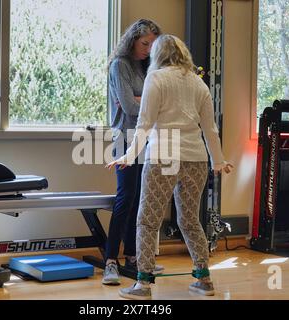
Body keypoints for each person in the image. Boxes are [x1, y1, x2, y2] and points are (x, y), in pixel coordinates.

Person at [107, 34, 233, 299]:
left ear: (158, 55)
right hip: (196, 158)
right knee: (189, 220)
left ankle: (143, 284)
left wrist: (129, 156)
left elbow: (143, 122)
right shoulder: (199, 83)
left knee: (147, 220)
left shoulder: (157, 78)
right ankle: (204, 279)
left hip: (164, 155)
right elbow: (210, 128)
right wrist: (218, 160)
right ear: (183, 54)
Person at [102, 19, 163, 286]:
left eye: (152, 44)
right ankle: (110, 261)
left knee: (140, 199)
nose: (148, 49)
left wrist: (144, 101)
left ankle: (132, 256)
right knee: (125, 198)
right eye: (144, 43)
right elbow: (128, 107)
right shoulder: (120, 65)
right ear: (133, 41)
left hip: (146, 137)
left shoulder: (149, 66)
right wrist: (145, 101)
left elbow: (160, 102)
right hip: (124, 137)